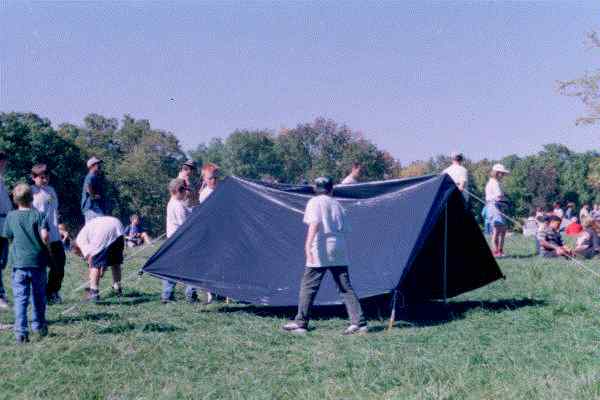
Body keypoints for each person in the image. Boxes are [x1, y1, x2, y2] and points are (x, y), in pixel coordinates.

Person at [283, 177, 367, 335]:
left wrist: (307, 246)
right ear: (331, 189)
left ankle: (301, 324)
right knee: (345, 287)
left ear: (316, 188)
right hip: (339, 247)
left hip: (321, 247)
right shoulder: (337, 204)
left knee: (308, 286)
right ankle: (360, 324)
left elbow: (314, 223)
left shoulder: (314, 202)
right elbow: (345, 229)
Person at [1, 184, 50, 344]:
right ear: (32, 198)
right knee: (38, 296)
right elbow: (45, 237)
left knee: (20, 298)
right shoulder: (39, 215)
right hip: (38, 262)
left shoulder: (11, 216)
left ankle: (21, 333)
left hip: (19, 264)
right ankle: (39, 326)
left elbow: (8, 236)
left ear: (15, 200)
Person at [31, 164, 66, 305]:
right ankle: (38, 296)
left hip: (55, 235)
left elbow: (54, 213)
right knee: (39, 267)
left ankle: (52, 292)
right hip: (39, 236)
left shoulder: (51, 190)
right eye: (42, 177)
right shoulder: (31, 192)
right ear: (33, 178)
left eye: (47, 177)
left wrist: (61, 228)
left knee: (59, 264)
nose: (45, 180)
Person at [161, 178, 198, 303]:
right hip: (180, 241)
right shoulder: (178, 206)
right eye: (184, 191)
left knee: (171, 269)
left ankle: (167, 295)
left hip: (172, 240)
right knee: (192, 267)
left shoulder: (173, 203)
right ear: (178, 191)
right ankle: (190, 295)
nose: (186, 194)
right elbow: (185, 224)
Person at [72, 216, 125, 302]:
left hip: (104, 230)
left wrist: (92, 276)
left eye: (78, 254)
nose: (81, 256)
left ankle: (94, 292)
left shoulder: (79, 241)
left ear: (76, 248)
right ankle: (117, 289)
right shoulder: (86, 233)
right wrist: (102, 270)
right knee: (115, 262)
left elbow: (91, 260)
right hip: (117, 224)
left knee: (95, 264)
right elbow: (105, 258)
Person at [485, 164, 510, 257]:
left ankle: (500, 250)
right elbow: (498, 197)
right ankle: (496, 251)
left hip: (497, 207)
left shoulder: (494, 182)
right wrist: (506, 200)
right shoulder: (494, 183)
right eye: (502, 173)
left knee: (502, 230)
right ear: (497, 173)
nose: (503, 175)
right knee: (497, 230)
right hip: (494, 207)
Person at [0, 151, 13, 310]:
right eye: (2, 162)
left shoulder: (2, 181)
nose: (4, 166)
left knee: (3, 262)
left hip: (4, 223)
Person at [81, 157, 106, 222]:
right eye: (97, 164)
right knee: (102, 222)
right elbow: (88, 187)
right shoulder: (91, 176)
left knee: (91, 228)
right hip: (91, 207)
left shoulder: (93, 176)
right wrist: (93, 196)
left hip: (90, 207)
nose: (99, 165)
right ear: (91, 166)